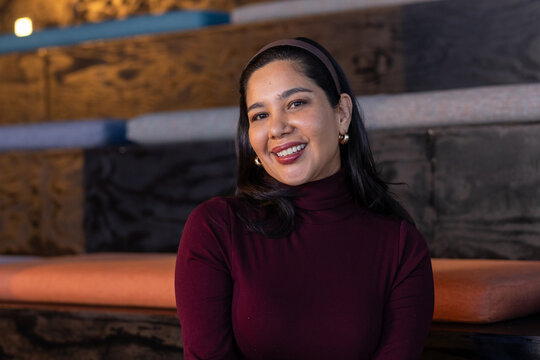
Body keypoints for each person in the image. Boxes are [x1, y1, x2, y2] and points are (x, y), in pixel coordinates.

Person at [175, 37, 434, 360]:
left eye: (296, 103)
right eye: (259, 115)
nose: (277, 128)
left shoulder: (400, 246)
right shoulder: (216, 228)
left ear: (341, 113)